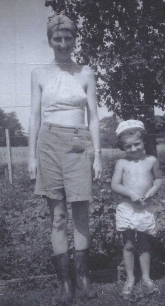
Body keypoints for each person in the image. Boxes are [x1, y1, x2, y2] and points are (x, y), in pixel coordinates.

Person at [28, 15, 102, 304]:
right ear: (50, 41)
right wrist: (32, 155)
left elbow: (94, 118)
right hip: (48, 143)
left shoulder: (86, 73)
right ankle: (65, 284)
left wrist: (97, 155)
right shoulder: (38, 73)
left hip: (79, 143)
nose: (63, 43)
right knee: (57, 217)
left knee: (80, 214)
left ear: (74, 39)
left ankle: (84, 279)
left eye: (68, 38)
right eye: (57, 38)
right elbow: (34, 116)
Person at [111, 119, 163, 299]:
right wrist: (130, 193)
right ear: (122, 147)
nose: (133, 149)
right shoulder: (122, 164)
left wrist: (152, 191)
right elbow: (115, 185)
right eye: (128, 146)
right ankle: (130, 279)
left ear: (144, 141)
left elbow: (158, 179)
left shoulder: (151, 160)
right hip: (127, 208)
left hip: (145, 208)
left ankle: (147, 278)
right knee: (128, 244)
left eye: (136, 144)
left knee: (144, 243)